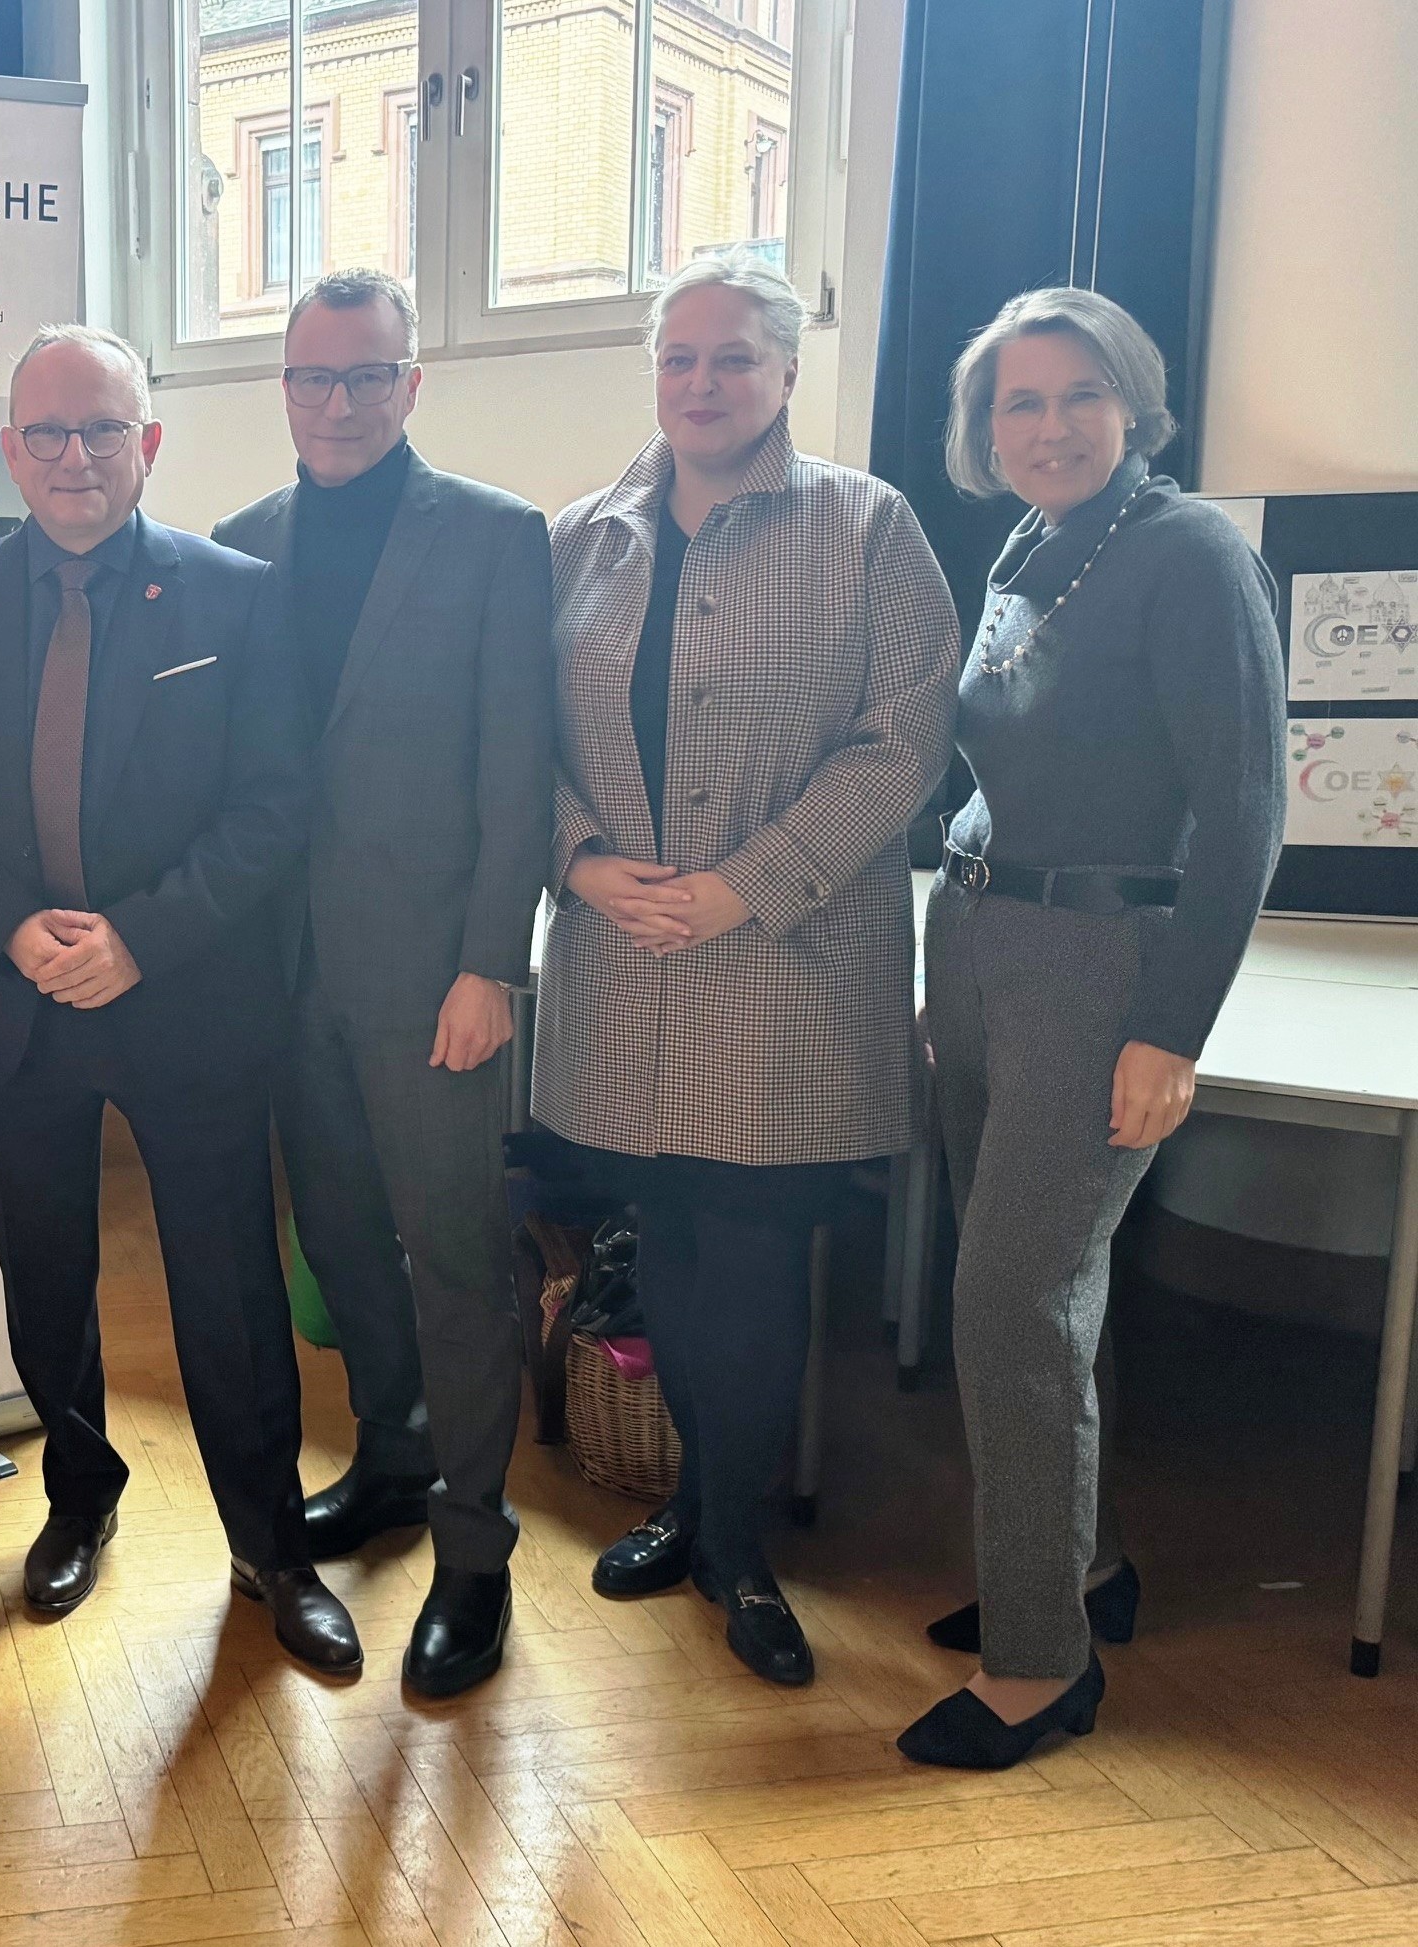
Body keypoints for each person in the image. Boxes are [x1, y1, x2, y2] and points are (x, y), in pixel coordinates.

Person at [0, 325, 357, 1676]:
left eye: (102, 429)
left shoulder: (239, 597)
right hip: (10, 997)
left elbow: (276, 807)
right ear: (10, 448)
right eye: (48, 432)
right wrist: (12, 927)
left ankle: (270, 1543)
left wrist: (142, 938)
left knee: (229, 1286)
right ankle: (79, 1496)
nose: (75, 455)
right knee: (45, 1276)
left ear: (147, 442)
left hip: (186, 997)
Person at [536, 253, 960, 1688]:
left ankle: (736, 1541)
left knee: (760, 1256)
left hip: (789, 961)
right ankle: (692, 1509)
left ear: (786, 371)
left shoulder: (868, 526)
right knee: (667, 1240)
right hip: (626, 956)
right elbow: (514, 736)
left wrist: (745, 884)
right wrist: (582, 859)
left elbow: (907, 739)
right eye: (679, 358)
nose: (703, 383)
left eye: (734, 357)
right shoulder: (580, 540)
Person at [901, 289, 1284, 1769]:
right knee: (1039, 1296)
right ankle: (1076, 1571)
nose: (1049, 425)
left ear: (1134, 403)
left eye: (1079, 395)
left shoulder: (1190, 554)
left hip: (1100, 969)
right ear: (984, 428)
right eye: (1020, 401)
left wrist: (1170, 1031)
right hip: (984, 944)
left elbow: (1245, 815)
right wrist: (950, 968)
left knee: (1013, 1299)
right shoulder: (1030, 545)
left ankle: (1040, 1666)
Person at [211, 269, 553, 1696]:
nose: (338, 402)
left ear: (413, 384)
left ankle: (476, 1552)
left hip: (431, 979)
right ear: (284, 389)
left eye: (366, 376)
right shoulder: (240, 546)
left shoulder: (495, 536)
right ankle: (395, 1456)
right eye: (313, 377)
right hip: (282, 981)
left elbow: (519, 772)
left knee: (457, 1260)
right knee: (342, 1245)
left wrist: (490, 966)